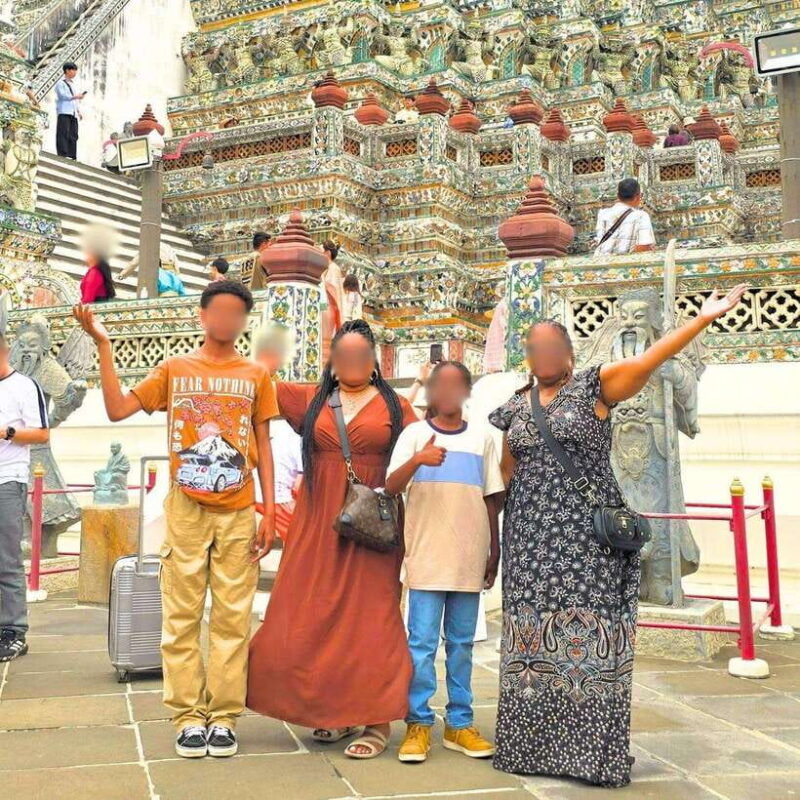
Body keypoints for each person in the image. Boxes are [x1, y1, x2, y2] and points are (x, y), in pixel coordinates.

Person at [489, 284, 747, 787]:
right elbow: (506, 471)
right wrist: (496, 538)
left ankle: (590, 755)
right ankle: (532, 748)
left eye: (551, 346)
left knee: (588, 642)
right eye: (533, 347)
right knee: (530, 640)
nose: (541, 354)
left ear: (568, 353)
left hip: (586, 540)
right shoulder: (515, 406)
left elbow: (653, 356)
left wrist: (703, 319)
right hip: (530, 538)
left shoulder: (595, 386)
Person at [73, 280, 278, 760]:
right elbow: (117, 408)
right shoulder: (174, 369)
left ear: (244, 322)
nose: (226, 321)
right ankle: (187, 716)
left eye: (236, 313)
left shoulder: (255, 375)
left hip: (238, 509)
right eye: (219, 312)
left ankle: (223, 716)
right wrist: (104, 345)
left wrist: (267, 508)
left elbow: (263, 444)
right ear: (202, 316)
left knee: (232, 617)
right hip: (186, 508)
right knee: (181, 616)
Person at [247, 319, 418, 759]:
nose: (352, 363)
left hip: (373, 526)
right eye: (343, 355)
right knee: (309, 612)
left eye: (361, 355)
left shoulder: (397, 406)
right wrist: (268, 344)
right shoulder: (312, 400)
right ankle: (332, 710)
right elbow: (257, 382)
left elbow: (419, 457)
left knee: (371, 617)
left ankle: (376, 720)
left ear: (375, 360)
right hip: (317, 520)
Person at [385, 361, 504, 763]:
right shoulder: (414, 435)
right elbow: (389, 486)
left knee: (461, 645)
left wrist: (494, 548)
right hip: (426, 555)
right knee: (419, 646)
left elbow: (492, 497)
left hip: (469, 556)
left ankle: (459, 722)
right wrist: (418, 460)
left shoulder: (484, 438)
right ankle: (418, 723)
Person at [0, 331, 50, 663]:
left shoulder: (23, 386)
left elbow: (42, 432)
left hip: (7, 479)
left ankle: (14, 630)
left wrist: (6, 432)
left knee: (5, 560)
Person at [253, 324, 303, 543]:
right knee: (305, 539)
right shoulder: (294, 435)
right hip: (269, 497)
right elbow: (299, 486)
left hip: (253, 494)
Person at [594, 178, 656, 256]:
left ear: (618, 196)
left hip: (601, 261)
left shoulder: (603, 213)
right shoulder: (641, 216)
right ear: (638, 196)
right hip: (624, 264)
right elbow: (643, 247)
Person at [54, 61, 86, 160]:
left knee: (73, 134)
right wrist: (76, 96)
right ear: (67, 70)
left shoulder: (73, 84)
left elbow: (74, 100)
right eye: (73, 70)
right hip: (64, 111)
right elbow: (62, 95)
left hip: (73, 112)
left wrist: (78, 111)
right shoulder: (60, 83)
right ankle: (62, 153)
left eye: (76, 71)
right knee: (63, 132)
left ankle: (72, 155)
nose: (75, 73)